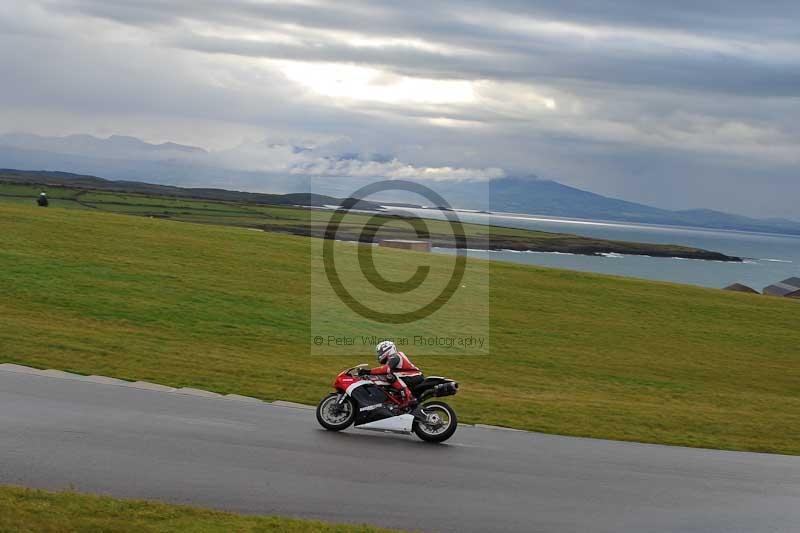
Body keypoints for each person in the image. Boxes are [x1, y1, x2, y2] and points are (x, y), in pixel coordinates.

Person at [360, 341, 423, 409]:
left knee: (390, 377)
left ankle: (408, 398)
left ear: (388, 350)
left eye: (380, 352)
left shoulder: (395, 356)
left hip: (414, 376)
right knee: (387, 376)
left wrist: (368, 371)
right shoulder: (394, 357)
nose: (379, 354)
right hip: (409, 376)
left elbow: (385, 369)